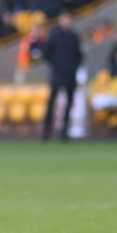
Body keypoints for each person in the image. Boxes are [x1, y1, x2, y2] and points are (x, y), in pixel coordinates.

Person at [41, 12, 83, 140]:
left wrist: (74, 66)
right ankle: (46, 131)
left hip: (70, 74)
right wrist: (56, 65)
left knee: (69, 103)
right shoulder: (54, 36)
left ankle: (64, 131)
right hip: (58, 73)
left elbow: (79, 55)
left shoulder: (74, 37)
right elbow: (46, 53)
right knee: (51, 102)